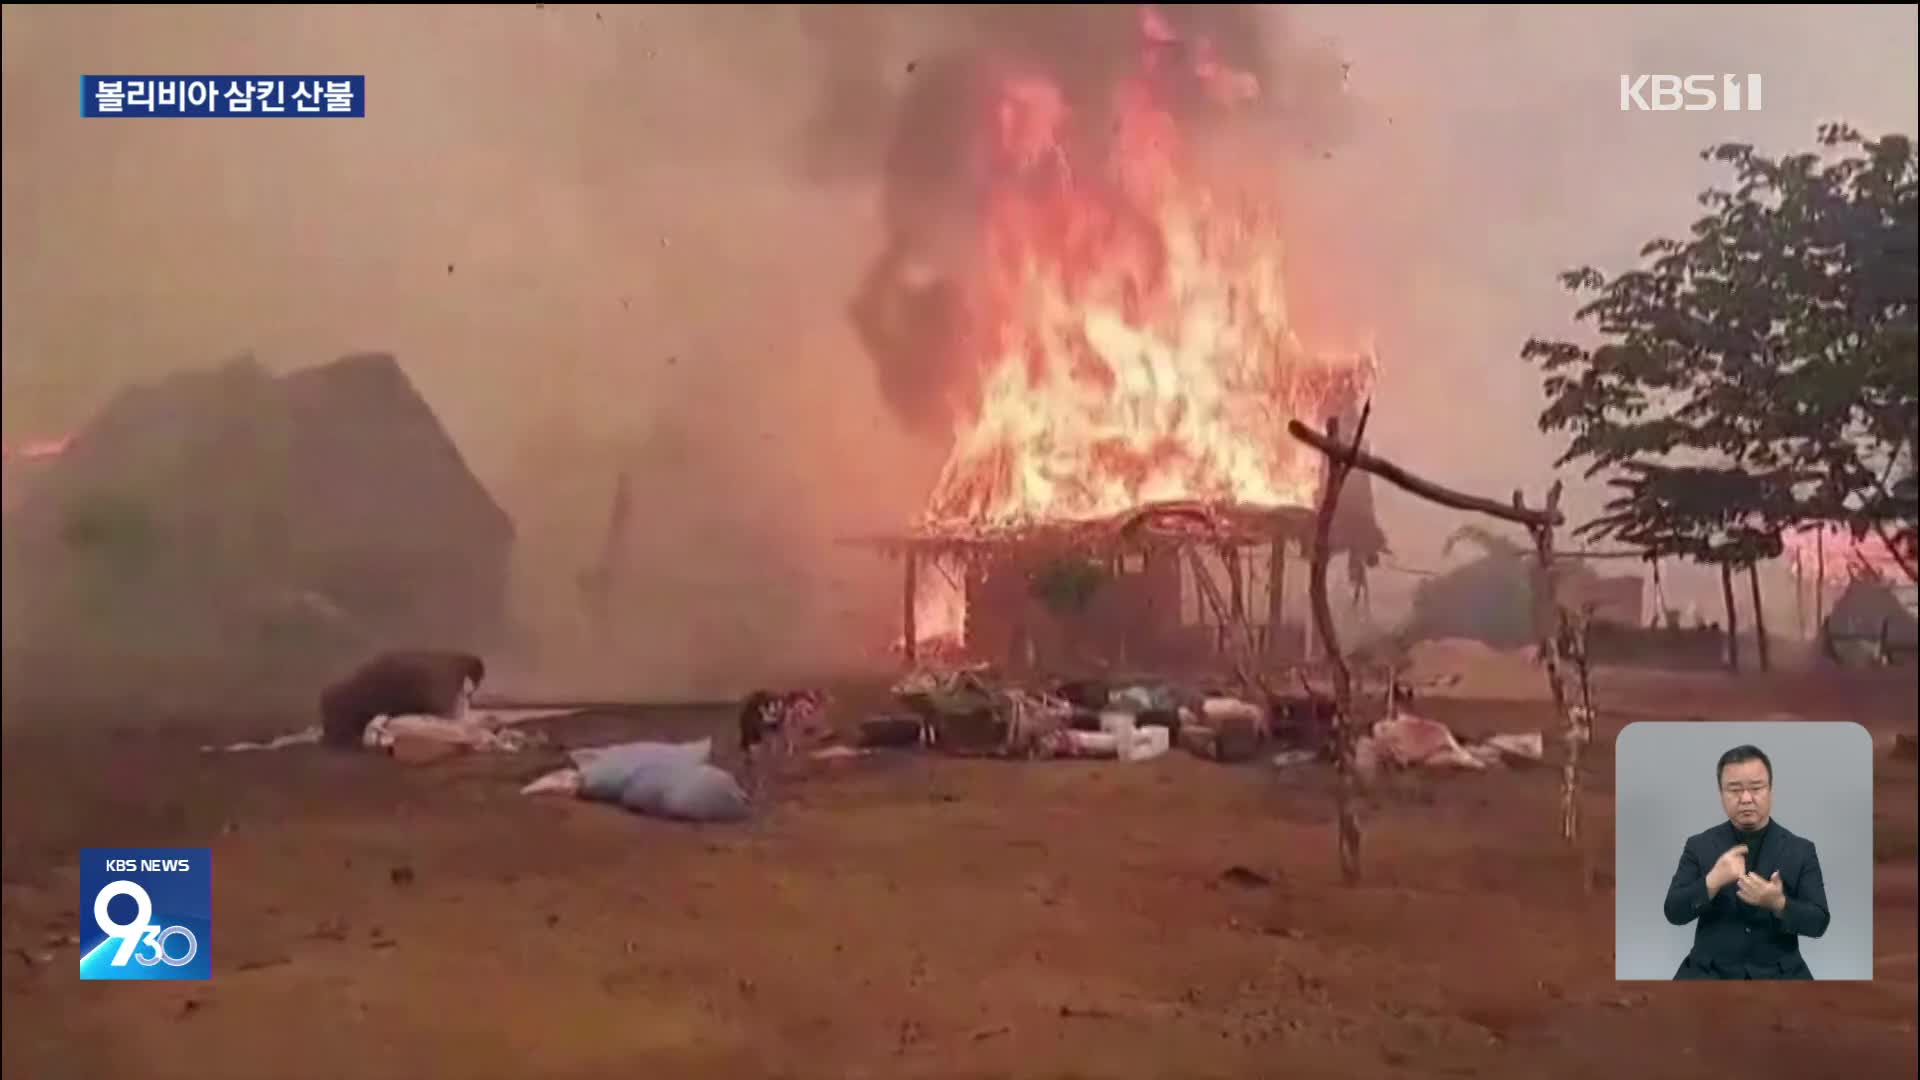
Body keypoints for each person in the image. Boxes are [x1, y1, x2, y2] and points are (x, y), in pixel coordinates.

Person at [1662, 744, 1830, 979]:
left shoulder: (1801, 849)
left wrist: (1778, 903)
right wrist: (1712, 881)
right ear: (1721, 793)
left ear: (1770, 790)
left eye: (1756, 788)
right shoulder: (1698, 846)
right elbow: (1673, 912)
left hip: (1780, 975)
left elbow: (1819, 922)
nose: (1746, 798)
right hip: (1708, 974)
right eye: (1734, 789)